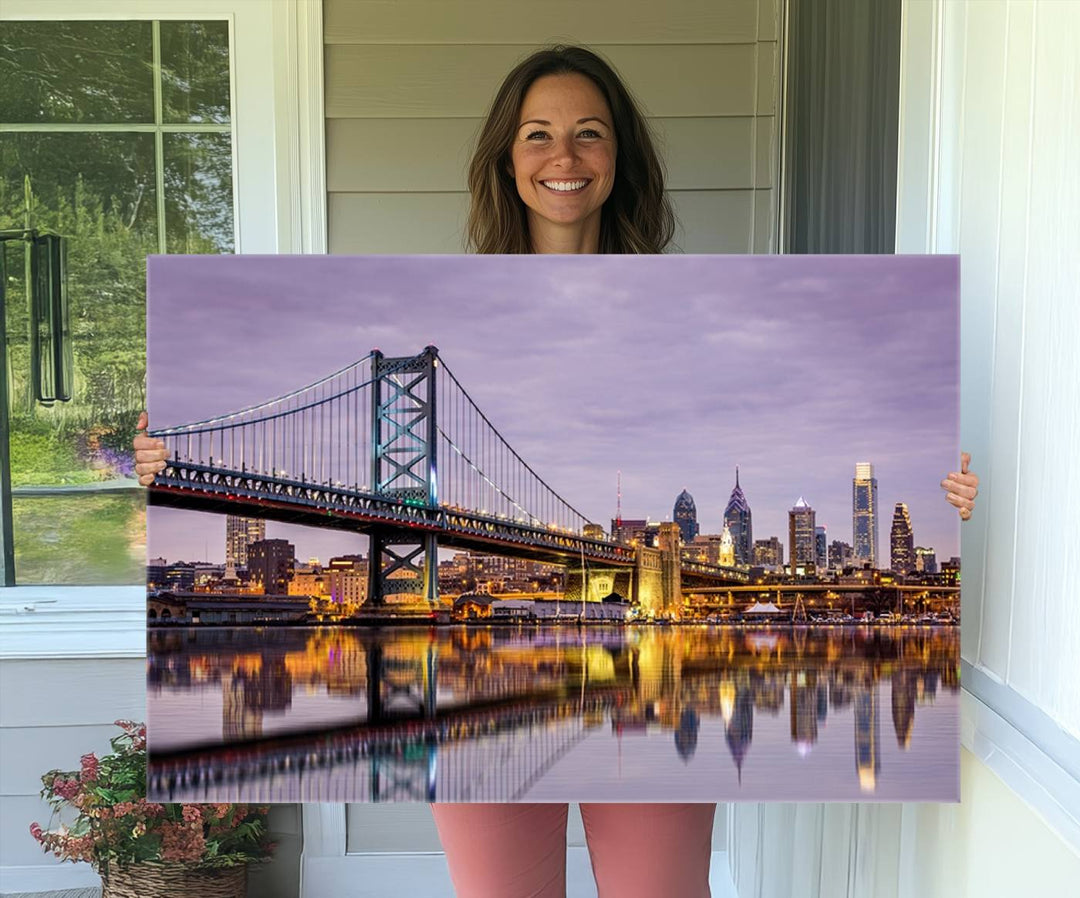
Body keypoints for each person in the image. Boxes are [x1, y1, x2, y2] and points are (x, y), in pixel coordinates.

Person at [134, 45, 979, 898]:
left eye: (589, 134)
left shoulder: (686, 303)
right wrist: (155, 461)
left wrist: (954, 502)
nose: (563, 157)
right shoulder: (441, 303)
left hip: (643, 686)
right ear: (507, 157)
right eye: (538, 135)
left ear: (620, 159)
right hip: (480, 727)